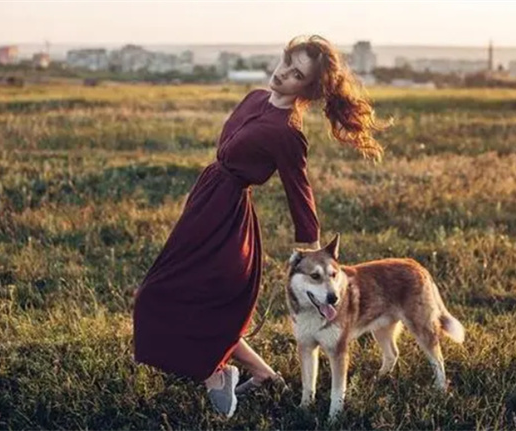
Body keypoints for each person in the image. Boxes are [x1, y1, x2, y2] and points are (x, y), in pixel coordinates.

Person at [132, 34, 387, 418]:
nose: (283, 74)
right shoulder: (254, 97)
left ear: (309, 88)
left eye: (296, 74)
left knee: (160, 297)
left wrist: (310, 255)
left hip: (228, 220)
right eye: (286, 63)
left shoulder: (288, 132)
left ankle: (215, 377)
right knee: (182, 295)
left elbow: (300, 193)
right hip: (205, 203)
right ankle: (264, 374)